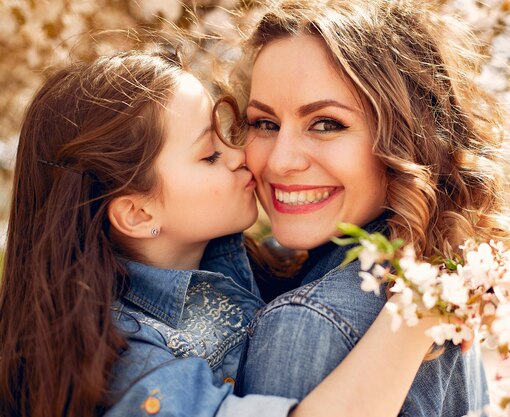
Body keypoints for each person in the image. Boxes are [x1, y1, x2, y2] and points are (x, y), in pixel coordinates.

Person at [0, 48, 456, 417]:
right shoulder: (124, 358)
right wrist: (419, 311)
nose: (240, 154)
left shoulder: (245, 264)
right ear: (138, 213)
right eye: (209, 155)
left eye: (230, 132)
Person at [237, 1, 510, 416]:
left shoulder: (308, 322)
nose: (280, 161)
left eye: (326, 123)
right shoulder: (441, 279)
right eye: (265, 124)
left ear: (409, 139)